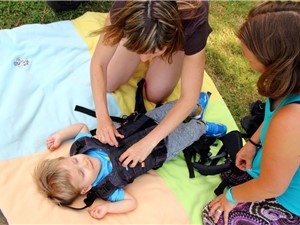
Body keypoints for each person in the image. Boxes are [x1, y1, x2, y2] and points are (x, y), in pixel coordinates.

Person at [35, 97, 227, 220]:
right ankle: (202, 126)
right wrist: (108, 210)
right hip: (162, 149)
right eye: (82, 172)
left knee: (172, 108)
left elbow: (80, 128)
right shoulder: (106, 188)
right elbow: (131, 202)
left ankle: (193, 106)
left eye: (75, 160)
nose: (83, 162)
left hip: (144, 124)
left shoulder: (83, 148)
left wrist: (60, 136)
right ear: (86, 188)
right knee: (188, 132)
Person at [202, 1, 300, 225]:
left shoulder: (293, 118)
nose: (244, 53)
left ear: (276, 58)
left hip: (289, 200)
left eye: (250, 53)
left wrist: (231, 197)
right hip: (277, 174)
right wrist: (253, 143)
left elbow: (273, 185)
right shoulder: (287, 81)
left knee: (215, 216)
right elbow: (270, 118)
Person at [90, 1, 212, 169]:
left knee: (156, 93)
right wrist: (102, 118)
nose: (144, 59)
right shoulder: (125, 7)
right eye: (139, 50)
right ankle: (145, 44)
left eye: (153, 52)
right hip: (141, 24)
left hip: (178, 38)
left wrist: (148, 142)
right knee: (109, 81)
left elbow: (189, 98)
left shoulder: (194, 18)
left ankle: (164, 50)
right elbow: (99, 64)